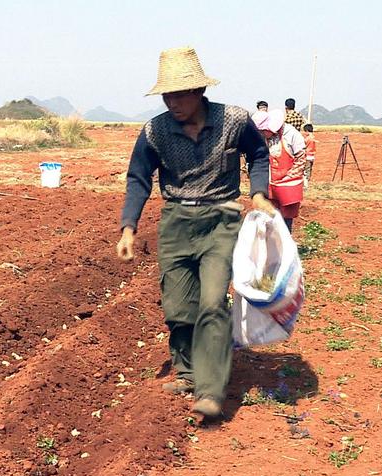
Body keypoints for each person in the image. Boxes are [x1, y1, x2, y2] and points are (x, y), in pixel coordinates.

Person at [115, 47, 274, 419]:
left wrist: (259, 193)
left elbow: (259, 154)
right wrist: (128, 228)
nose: (173, 102)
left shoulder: (234, 120)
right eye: (167, 95)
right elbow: (139, 178)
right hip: (176, 223)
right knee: (178, 308)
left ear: (200, 90)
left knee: (212, 302)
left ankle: (210, 389)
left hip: (221, 220)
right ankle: (187, 372)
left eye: (180, 94)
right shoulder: (154, 131)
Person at [252, 109, 306, 231]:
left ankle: (284, 245)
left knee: (285, 219)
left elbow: (301, 159)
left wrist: (287, 178)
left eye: (263, 132)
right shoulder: (264, 138)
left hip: (288, 185)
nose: (261, 134)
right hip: (270, 183)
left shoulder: (291, 135)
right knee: (268, 216)